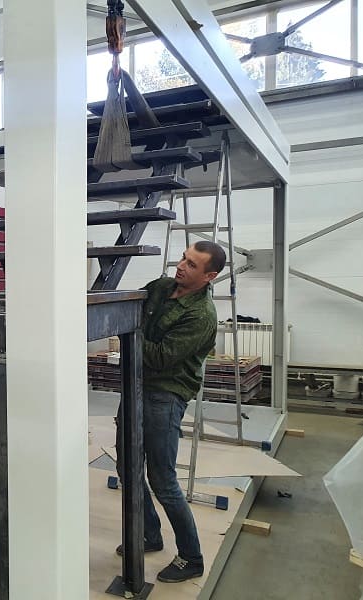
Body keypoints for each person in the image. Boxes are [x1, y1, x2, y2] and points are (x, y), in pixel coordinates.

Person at [115, 240, 226, 583]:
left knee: (162, 480)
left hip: (165, 394)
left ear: (209, 276)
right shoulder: (162, 287)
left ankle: (191, 557)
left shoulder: (201, 315)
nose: (181, 266)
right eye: (183, 258)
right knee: (126, 466)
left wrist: (124, 332)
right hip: (136, 384)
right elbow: (130, 306)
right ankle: (149, 534)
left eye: (192, 265)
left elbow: (161, 357)